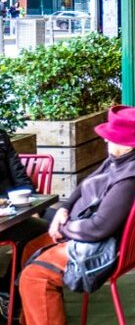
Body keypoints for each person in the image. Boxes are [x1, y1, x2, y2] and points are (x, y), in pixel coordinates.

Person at [19, 106, 135, 325]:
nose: (106, 141)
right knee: (30, 247)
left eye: (111, 138)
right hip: (92, 232)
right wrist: (63, 208)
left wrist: (63, 227)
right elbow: (86, 183)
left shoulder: (132, 178)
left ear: (128, 143)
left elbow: (99, 228)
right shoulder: (127, 160)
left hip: (106, 247)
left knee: (35, 276)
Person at [0, 130, 45, 319]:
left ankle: (7, 291)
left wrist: (32, 206)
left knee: (44, 229)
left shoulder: (1, 137)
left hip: (10, 213)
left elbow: (20, 177)